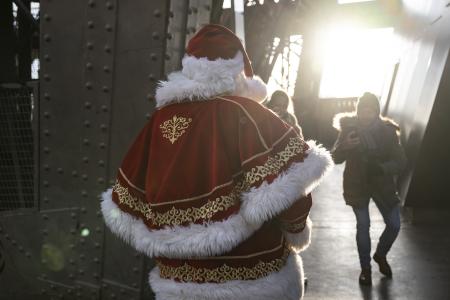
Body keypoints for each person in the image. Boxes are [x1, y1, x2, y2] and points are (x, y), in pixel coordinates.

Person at [101, 24, 333, 300]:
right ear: (239, 73)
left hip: (179, 280)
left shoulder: (159, 121)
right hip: (253, 273)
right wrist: (297, 232)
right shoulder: (246, 113)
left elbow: (124, 203)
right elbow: (292, 191)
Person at [332, 92, 406, 286]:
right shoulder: (349, 129)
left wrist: (382, 168)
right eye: (363, 109)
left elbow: (401, 161)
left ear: (376, 111)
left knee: (394, 225)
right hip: (358, 185)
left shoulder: (388, 132)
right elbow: (334, 157)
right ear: (358, 110)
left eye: (370, 110)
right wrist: (345, 146)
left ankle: (380, 255)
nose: (366, 113)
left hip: (383, 185)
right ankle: (365, 269)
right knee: (363, 225)